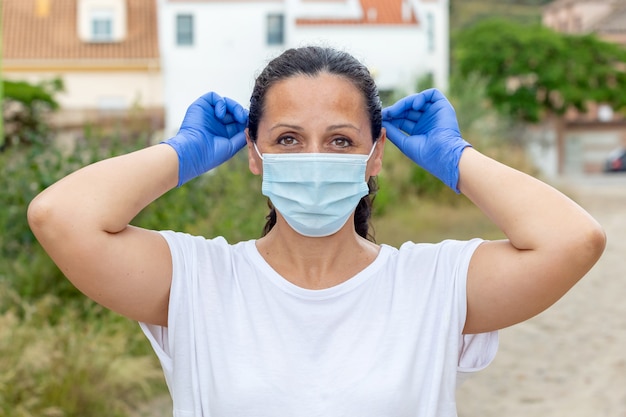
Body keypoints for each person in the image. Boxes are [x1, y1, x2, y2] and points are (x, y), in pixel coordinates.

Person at [27, 46, 606, 417]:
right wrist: (183, 153)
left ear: (374, 155)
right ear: (254, 154)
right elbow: (61, 217)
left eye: (340, 140)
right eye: (286, 139)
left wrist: (455, 157)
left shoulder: (432, 284)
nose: (313, 156)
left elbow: (573, 240)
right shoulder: (198, 279)